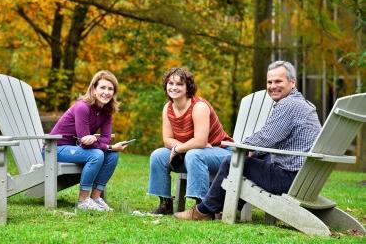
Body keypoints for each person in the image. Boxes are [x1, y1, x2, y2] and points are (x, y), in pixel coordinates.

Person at [174, 60, 322, 220]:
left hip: (288, 179)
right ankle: (222, 206)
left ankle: (203, 211)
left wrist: (241, 146)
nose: (272, 86)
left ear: (292, 82)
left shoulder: (289, 105)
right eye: (269, 82)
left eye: (278, 81)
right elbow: (271, 140)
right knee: (256, 157)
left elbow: (267, 136)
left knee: (232, 162)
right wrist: (253, 151)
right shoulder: (302, 103)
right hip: (304, 179)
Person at [148, 67, 234, 215]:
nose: (174, 87)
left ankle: (203, 208)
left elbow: (200, 142)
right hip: (192, 153)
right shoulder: (167, 108)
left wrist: (179, 149)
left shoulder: (199, 106)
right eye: (170, 83)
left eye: (179, 84)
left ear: (188, 87)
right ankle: (165, 204)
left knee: (194, 154)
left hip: (222, 153)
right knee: (158, 155)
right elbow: (167, 140)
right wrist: (185, 147)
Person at [47, 70, 129, 211]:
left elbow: (105, 138)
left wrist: (105, 145)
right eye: (102, 87)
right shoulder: (82, 107)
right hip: (55, 149)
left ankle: (96, 198)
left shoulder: (107, 111)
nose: (106, 92)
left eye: (110, 89)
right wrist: (109, 146)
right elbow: (85, 141)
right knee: (96, 154)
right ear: (94, 89)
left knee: (113, 156)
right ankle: (83, 201)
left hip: (76, 148)